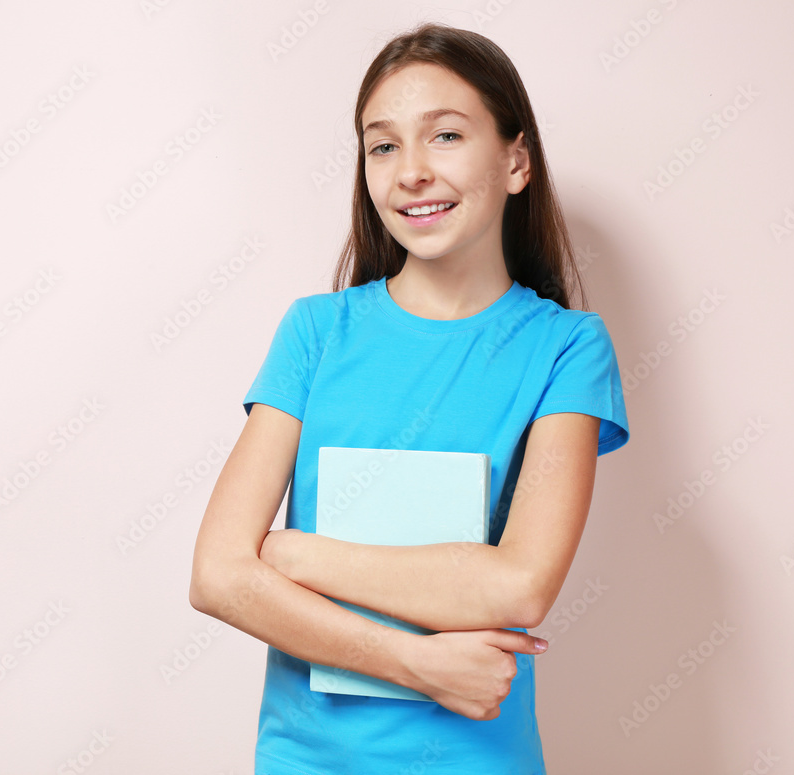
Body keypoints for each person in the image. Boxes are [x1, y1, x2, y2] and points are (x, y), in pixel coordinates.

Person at [190, 21, 630, 775]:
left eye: (446, 136)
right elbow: (219, 576)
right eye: (384, 145)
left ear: (516, 160)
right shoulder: (316, 331)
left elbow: (519, 586)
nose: (411, 171)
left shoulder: (566, 346)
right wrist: (413, 661)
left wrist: (296, 554)